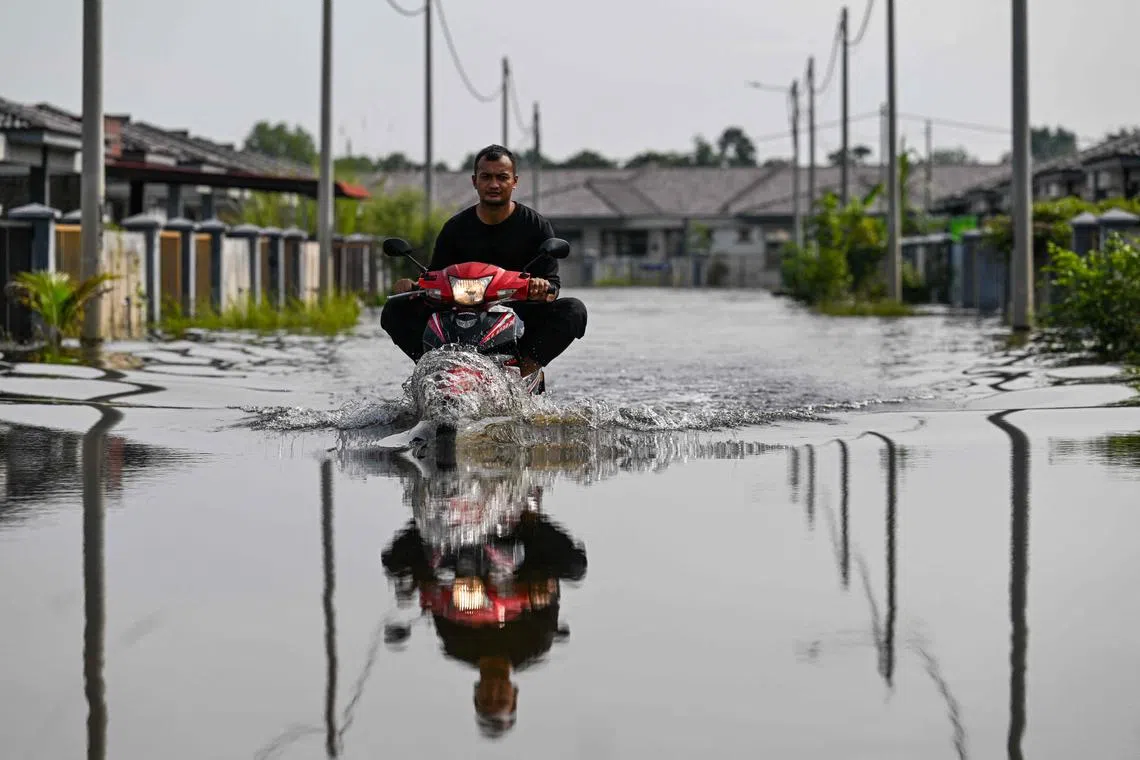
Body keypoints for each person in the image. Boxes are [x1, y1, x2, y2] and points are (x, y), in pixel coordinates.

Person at [380, 144, 587, 379]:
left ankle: (525, 369)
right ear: (474, 181)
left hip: (517, 311)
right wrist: (412, 286)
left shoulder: (536, 226)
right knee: (394, 309)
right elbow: (434, 277)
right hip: (459, 314)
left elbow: (552, 287)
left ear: (514, 181)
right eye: (486, 177)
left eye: (502, 177)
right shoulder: (455, 228)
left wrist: (541, 287)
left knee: (574, 310)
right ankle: (431, 367)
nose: (494, 184)